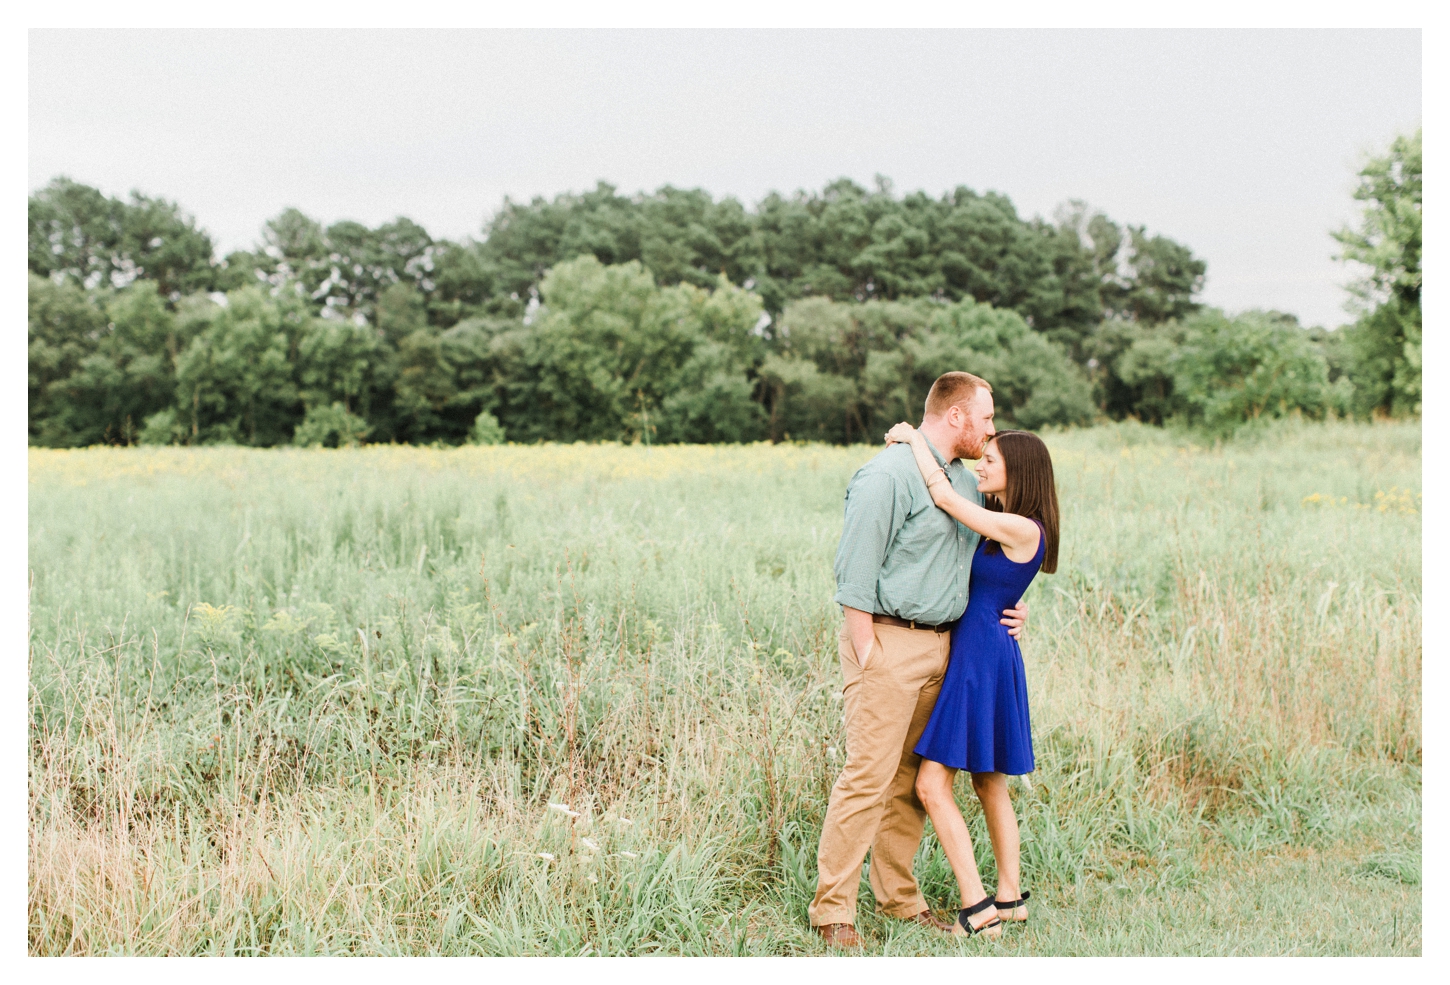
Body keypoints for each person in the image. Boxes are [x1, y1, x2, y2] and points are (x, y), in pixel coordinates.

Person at [810, 371, 1028, 949]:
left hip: (948, 647)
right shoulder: (886, 475)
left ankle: (900, 902)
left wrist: (1012, 610)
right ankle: (833, 911)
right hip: (887, 643)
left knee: (911, 783)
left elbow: (989, 558)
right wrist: (866, 648)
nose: (991, 427)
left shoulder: (962, 478)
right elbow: (854, 570)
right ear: (956, 416)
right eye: (985, 416)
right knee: (867, 778)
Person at [883, 422, 1060, 938]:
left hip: (979, 659)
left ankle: (977, 908)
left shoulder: (1022, 527)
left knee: (931, 784)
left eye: (991, 461)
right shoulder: (1011, 523)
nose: (980, 466)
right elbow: (996, 584)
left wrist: (916, 439)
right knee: (989, 783)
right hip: (988, 650)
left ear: (1018, 472)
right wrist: (1014, 607)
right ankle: (1009, 898)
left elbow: (943, 495)